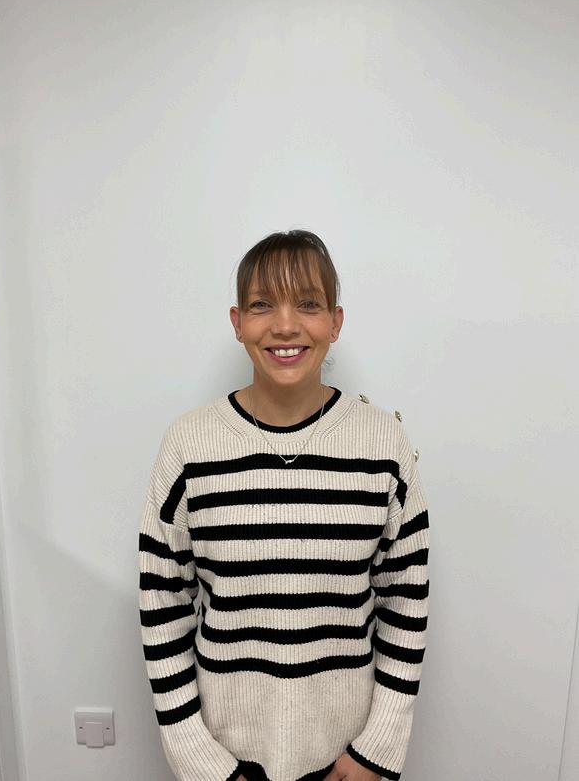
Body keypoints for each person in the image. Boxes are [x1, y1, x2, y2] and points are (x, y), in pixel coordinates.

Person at [138, 230, 430, 781]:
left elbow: (406, 606)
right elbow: (162, 610)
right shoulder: (187, 447)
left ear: (336, 322)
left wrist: (377, 750)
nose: (286, 325)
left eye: (309, 304)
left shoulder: (384, 445)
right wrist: (201, 761)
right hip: (225, 760)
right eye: (262, 305)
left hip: (349, 760)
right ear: (237, 322)